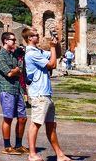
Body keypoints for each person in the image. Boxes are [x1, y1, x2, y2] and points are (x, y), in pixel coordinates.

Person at [23, 27, 71, 161]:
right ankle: (32, 154)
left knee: (51, 125)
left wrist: (56, 44)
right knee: (36, 123)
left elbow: (57, 55)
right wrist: (52, 47)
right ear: (29, 38)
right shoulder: (32, 53)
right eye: (35, 35)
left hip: (45, 93)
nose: (38, 36)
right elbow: (52, 64)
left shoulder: (38, 51)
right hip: (39, 94)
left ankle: (60, 155)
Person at [0, 32, 28, 155]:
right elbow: (8, 73)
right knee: (8, 118)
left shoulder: (14, 55)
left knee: (22, 118)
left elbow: (20, 70)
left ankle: (18, 145)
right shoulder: (0, 55)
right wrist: (16, 71)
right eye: (12, 40)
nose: (15, 42)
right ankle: (7, 146)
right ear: (5, 41)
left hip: (17, 89)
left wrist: (17, 69)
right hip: (6, 89)